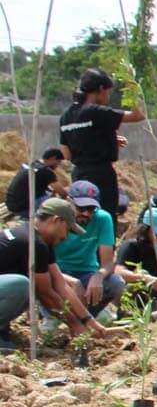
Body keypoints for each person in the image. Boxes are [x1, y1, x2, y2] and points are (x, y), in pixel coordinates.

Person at [0, 199, 106, 352]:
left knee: (25, 287)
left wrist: (88, 320)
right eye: (68, 230)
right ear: (56, 221)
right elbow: (47, 294)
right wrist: (75, 325)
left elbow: (60, 284)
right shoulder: (34, 243)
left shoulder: (38, 239)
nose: (66, 237)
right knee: (22, 285)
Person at [57, 68, 143, 230]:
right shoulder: (96, 112)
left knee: (83, 218)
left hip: (79, 175)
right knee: (105, 219)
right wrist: (132, 90)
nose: (108, 98)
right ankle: (104, 253)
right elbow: (138, 116)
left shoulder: (66, 116)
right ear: (101, 89)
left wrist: (101, 142)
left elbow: (66, 153)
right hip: (101, 176)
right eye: (108, 93)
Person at [49, 180, 126, 317]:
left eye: (91, 209)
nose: (86, 213)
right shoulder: (55, 218)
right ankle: (55, 316)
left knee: (116, 283)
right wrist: (71, 281)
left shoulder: (103, 219)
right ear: (69, 202)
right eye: (81, 208)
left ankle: (86, 317)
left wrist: (98, 276)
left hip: (86, 274)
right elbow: (42, 264)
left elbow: (108, 263)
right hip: (56, 274)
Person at [5, 148, 64, 219]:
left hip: (11, 204)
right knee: (55, 204)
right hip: (23, 209)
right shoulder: (45, 170)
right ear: (53, 158)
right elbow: (61, 192)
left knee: (48, 193)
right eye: (58, 161)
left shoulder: (29, 164)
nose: (58, 165)